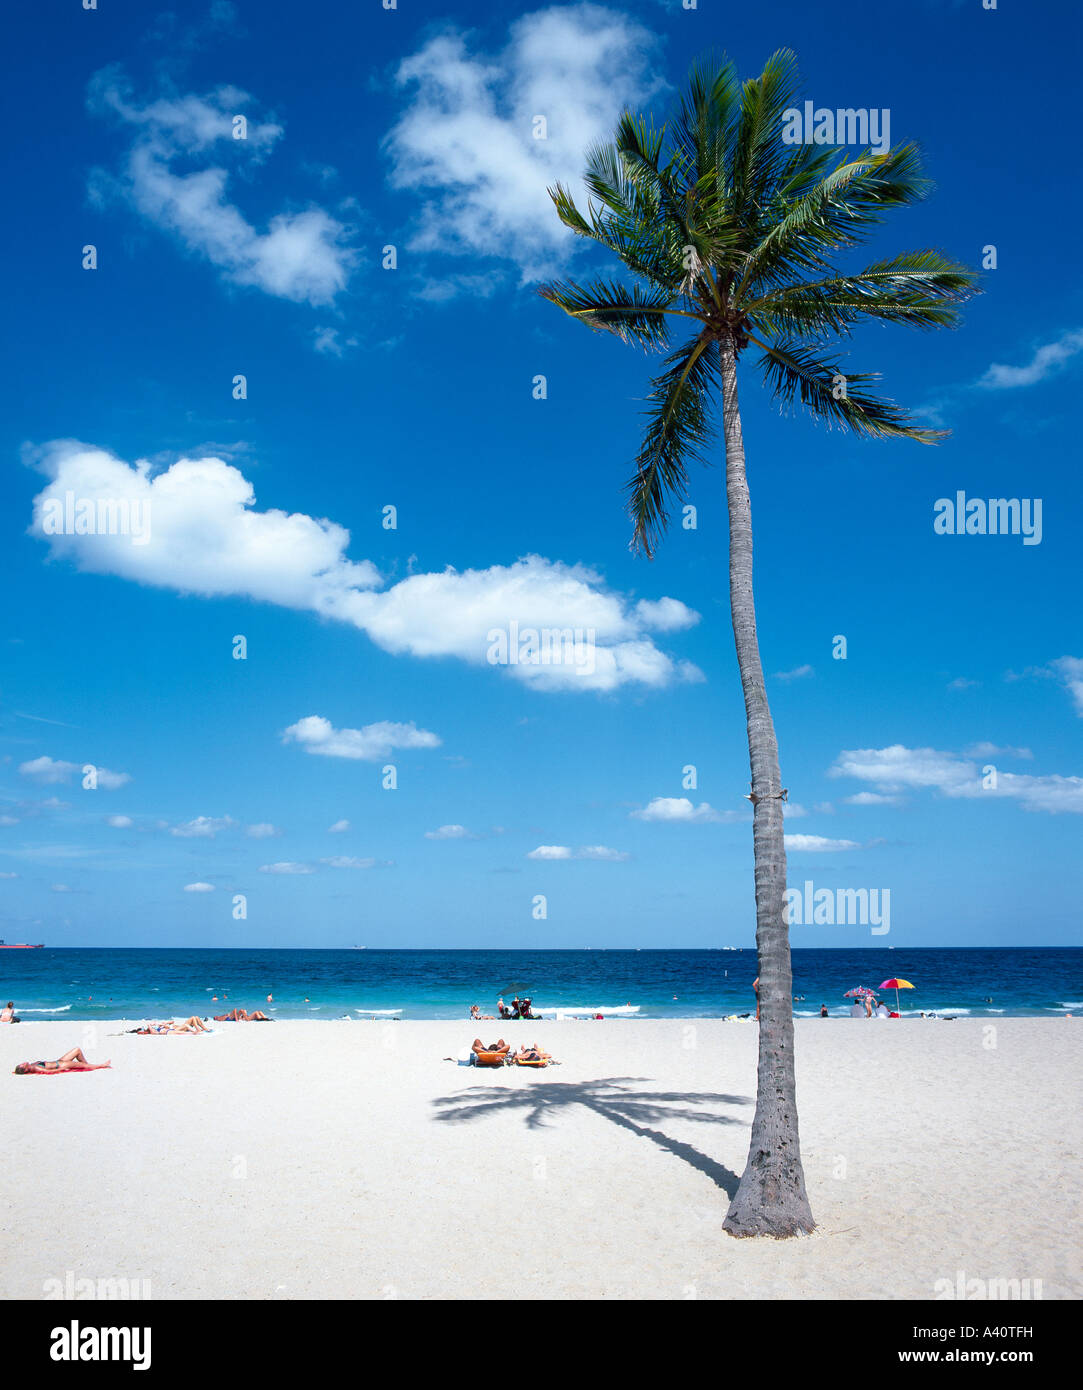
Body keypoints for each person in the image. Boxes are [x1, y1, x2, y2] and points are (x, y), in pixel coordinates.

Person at [14, 1047, 110, 1074]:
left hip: (59, 1061)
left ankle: (87, 1065)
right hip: (62, 1065)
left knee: (77, 1050)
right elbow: (49, 1071)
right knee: (83, 1065)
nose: (23, 1063)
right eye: (22, 1065)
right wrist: (64, 1069)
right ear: (26, 1070)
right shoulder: (36, 1068)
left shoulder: (32, 1064)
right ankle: (101, 1065)